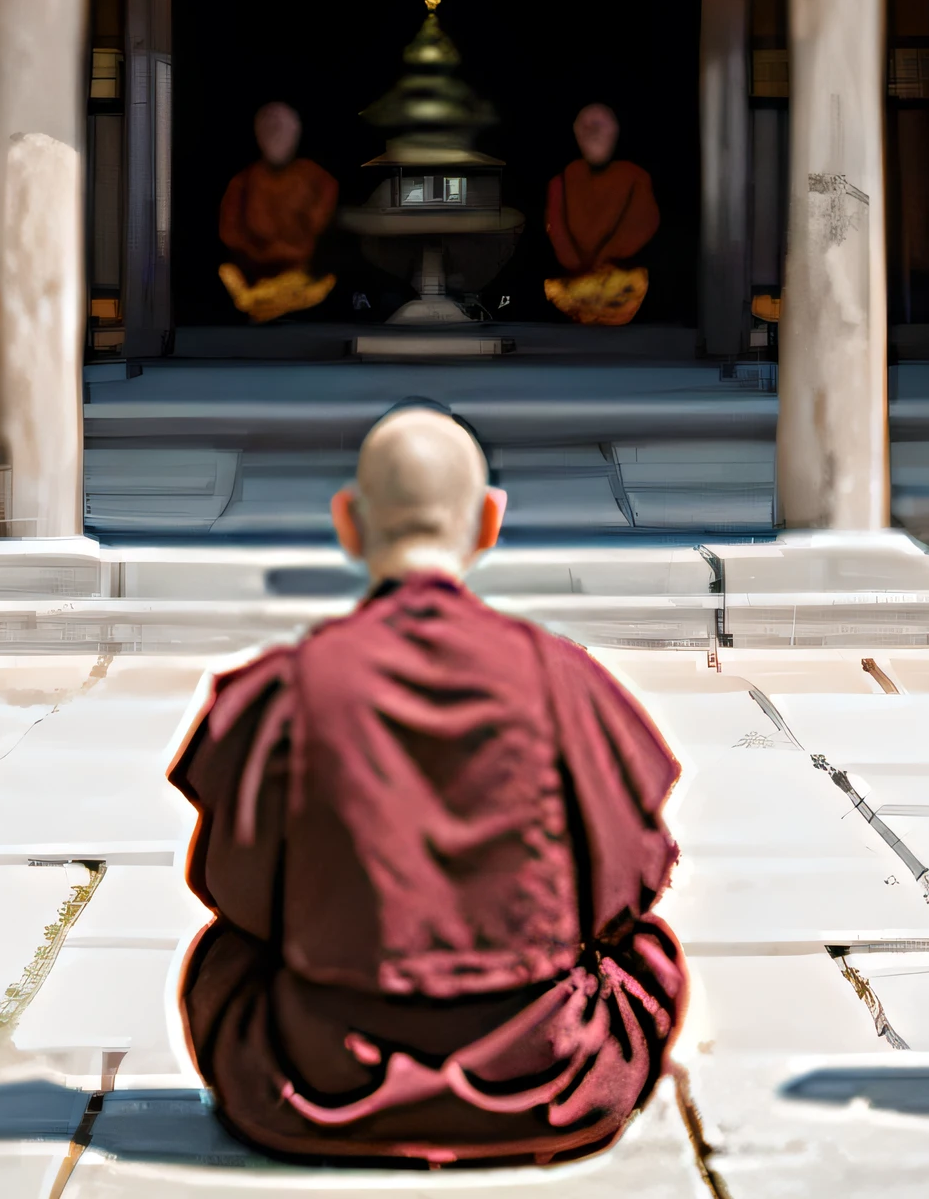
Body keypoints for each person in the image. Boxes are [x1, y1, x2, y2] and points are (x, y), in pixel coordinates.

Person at [169, 405, 686, 1167]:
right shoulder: (558, 678)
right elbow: (629, 884)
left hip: (316, 1079)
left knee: (225, 957)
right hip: (547, 1077)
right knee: (644, 954)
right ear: (487, 521)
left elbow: (234, 889)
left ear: (349, 522)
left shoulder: (293, 687)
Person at [218, 100, 340, 323]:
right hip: (257, 278)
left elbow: (324, 223)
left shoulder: (316, 179)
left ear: (296, 132)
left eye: (282, 129)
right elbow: (230, 231)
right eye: (269, 128)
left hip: (303, 279)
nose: (276, 135)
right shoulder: (243, 183)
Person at [542, 103, 660, 326]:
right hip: (570, 293)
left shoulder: (636, 177)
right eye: (584, 125)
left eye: (601, 125)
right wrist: (576, 266)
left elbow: (642, 223)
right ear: (574, 131)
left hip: (624, 291)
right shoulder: (562, 180)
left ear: (617, 130)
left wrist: (605, 259)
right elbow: (556, 228)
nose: (592, 132)